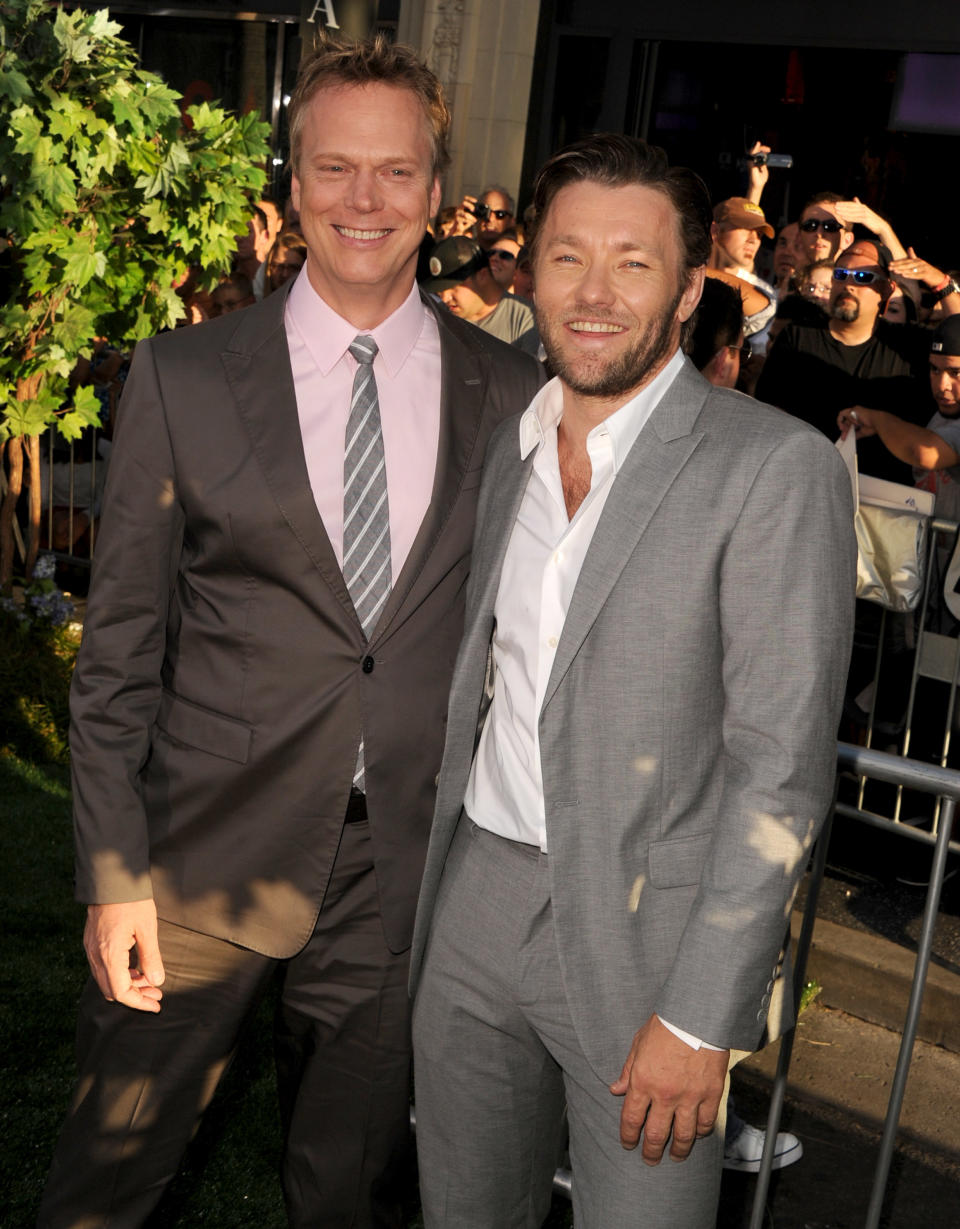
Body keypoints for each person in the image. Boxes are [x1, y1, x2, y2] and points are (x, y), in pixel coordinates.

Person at [38, 33, 542, 1229]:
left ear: (435, 190)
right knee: (111, 1176)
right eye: (333, 169)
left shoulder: (511, 395)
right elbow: (117, 660)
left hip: (399, 873)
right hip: (195, 862)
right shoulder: (184, 377)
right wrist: (111, 878)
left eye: (394, 171)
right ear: (294, 184)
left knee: (346, 1188)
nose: (364, 200)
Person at [410, 133, 855, 1229]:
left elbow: (780, 771)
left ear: (690, 286)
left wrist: (705, 1019)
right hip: (474, 898)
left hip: (652, 937)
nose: (595, 294)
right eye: (568, 258)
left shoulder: (771, 467)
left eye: (634, 262)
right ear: (527, 270)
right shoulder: (501, 438)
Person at [757, 239, 960, 484]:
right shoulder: (797, 337)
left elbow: (955, 336)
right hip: (805, 485)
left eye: (863, 276)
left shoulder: (909, 344)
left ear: (886, 290)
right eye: (841, 274)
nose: (849, 285)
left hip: (886, 507)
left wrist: (941, 283)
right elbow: (768, 415)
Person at [424, 234, 540, 355]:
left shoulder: (525, 319)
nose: (445, 297)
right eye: (439, 289)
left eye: (453, 287)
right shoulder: (439, 317)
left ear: (482, 275)